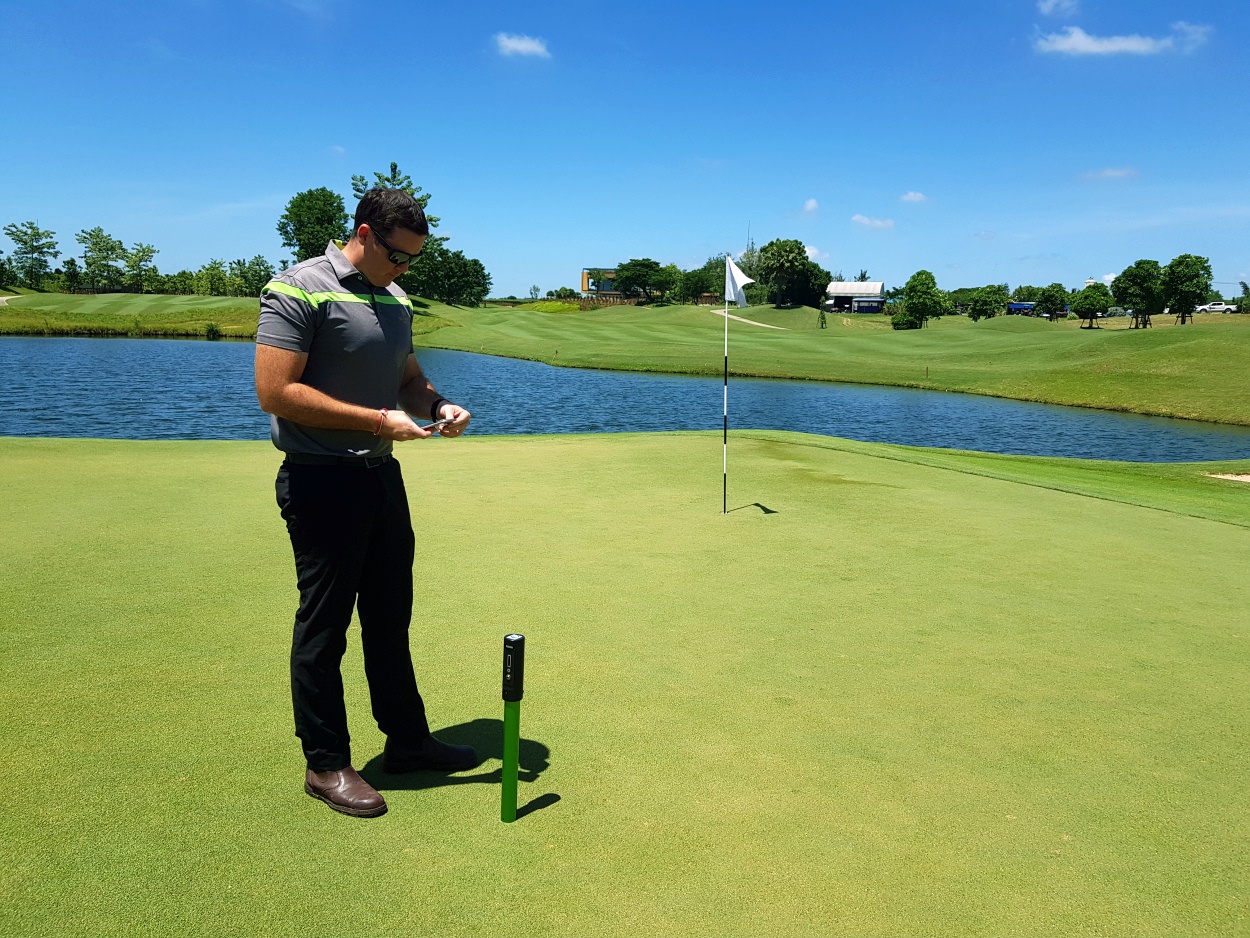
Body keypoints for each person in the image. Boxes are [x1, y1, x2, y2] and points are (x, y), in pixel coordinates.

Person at [255, 187, 477, 818]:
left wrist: (436, 407)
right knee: (324, 627)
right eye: (398, 256)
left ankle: (407, 741)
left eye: (413, 260)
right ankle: (325, 763)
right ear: (364, 233)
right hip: (319, 479)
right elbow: (276, 392)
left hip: (381, 479)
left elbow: (407, 379)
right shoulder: (297, 289)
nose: (405, 269)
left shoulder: (396, 297)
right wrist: (378, 421)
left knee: (389, 617)